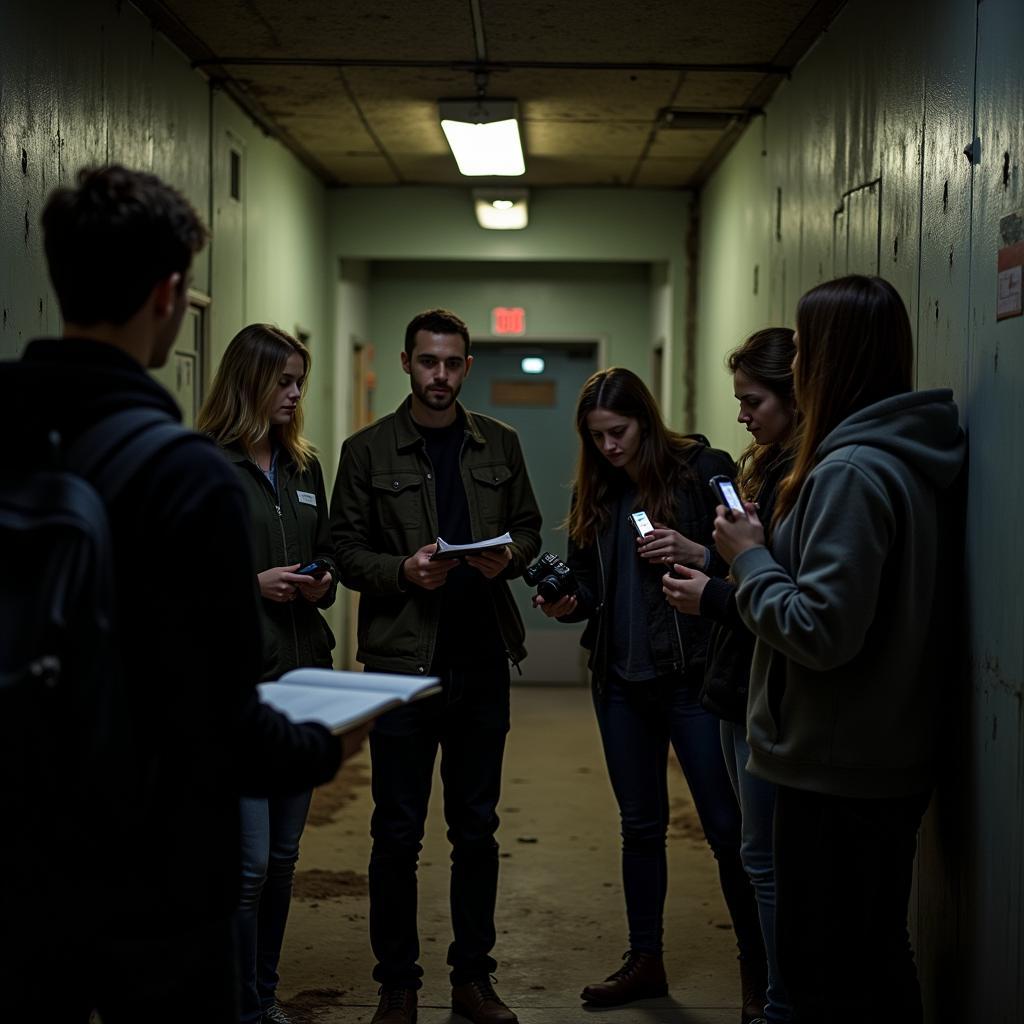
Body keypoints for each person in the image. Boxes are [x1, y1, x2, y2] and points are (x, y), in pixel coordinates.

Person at [0, 165, 348, 1021]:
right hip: (145, 872)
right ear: (168, 293)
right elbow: (218, 719)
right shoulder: (184, 473)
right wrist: (329, 745)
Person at [712, 275, 965, 1024]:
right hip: (871, 755)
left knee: (829, 975)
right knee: (873, 960)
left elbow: (822, 629)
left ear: (831, 360)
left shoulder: (851, 472)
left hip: (837, 766)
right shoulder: (896, 454)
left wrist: (748, 557)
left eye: (808, 348)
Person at [329, 308, 543, 1024]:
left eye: (452, 364)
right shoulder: (366, 451)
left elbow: (529, 528)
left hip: (481, 660)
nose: (440, 377)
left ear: (468, 366)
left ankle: (472, 979)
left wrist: (505, 557)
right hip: (401, 666)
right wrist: (402, 571)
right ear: (406, 362)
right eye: (428, 362)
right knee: (396, 832)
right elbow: (344, 552)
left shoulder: (501, 443)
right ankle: (398, 982)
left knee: (476, 830)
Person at [534, 367, 767, 1021]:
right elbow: (589, 586)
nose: (609, 447)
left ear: (645, 419)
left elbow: (754, 558)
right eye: (597, 436)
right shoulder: (600, 489)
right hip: (620, 683)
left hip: (692, 680)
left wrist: (698, 552)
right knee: (639, 828)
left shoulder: (703, 468)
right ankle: (646, 960)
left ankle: (759, 973)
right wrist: (568, 601)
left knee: (727, 830)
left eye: (620, 432)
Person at [197, 324, 339, 1024]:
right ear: (249, 382)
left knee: (284, 858)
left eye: (298, 383)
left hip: (304, 678)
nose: (294, 395)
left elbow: (328, 553)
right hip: (240, 684)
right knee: (247, 867)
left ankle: (264, 995)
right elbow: (176, 583)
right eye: (283, 382)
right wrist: (249, 583)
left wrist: (323, 581)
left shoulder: (305, 465)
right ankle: (233, 1005)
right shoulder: (205, 465)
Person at [662, 329, 799, 1024]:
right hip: (738, 682)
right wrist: (707, 556)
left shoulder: (809, 474)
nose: (741, 415)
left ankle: (777, 1002)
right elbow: (754, 573)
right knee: (756, 855)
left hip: (765, 689)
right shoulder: (772, 465)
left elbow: (784, 598)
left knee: (764, 862)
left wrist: (713, 593)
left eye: (752, 400)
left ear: (792, 395)